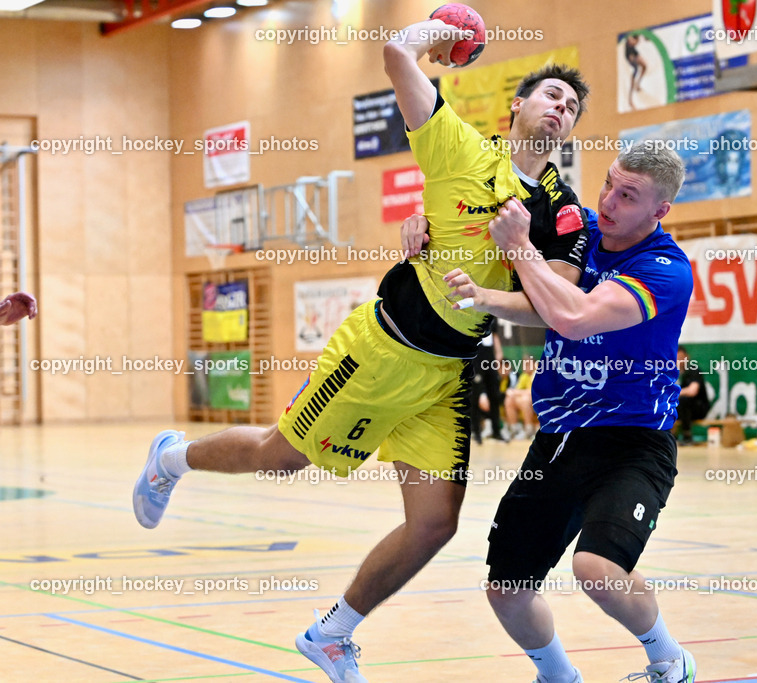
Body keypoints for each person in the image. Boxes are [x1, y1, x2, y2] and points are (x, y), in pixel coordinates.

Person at [132, 16, 591, 683]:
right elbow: (394, 53)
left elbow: (561, 304)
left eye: (573, 107)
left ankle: (333, 633)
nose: (562, 108)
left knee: (435, 525)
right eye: (552, 95)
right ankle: (172, 457)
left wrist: (494, 294)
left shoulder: (561, 211)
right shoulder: (454, 145)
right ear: (516, 105)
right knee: (279, 456)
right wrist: (438, 27)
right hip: (382, 351)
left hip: (444, 379)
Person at [444, 142, 696, 683]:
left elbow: (574, 316)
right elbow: (470, 208)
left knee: (596, 569)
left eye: (627, 196)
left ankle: (669, 660)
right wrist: (423, 223)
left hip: (631, 441)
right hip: (557, 440)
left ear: (659, 211)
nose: (607, 201)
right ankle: (558, 676)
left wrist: (519, 251)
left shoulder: (665, 271)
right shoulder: (575, 225)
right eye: (608, 183)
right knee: (506, 591)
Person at [470, 333, 507, 443]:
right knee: (474, 397)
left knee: (494, 395)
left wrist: (499, 351)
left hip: (490, 358)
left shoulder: (492, 318)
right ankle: (476, 431)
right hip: (477, 357)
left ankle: (496, 431)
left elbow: (495, 334)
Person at [675, 346, 708, 445]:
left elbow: (692, 391)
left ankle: (687, 435)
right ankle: (670, 434)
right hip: (680, 410)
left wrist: (672, 393)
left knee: (684, 400)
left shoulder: (694, 371)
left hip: (698, 408)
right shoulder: (671, 374)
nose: (679, 361)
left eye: (681, 358)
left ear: (687, 357)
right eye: (677, 358)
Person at [504, 355, 538, 440]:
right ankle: (515, 429)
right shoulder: (524, 376)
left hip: (540, 402)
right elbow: (517, 390)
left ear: (534, 364)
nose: (525, 367)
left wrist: (515, 392)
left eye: (528, 364)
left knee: (525, 400)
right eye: (524, 364)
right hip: (529, 400)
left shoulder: (538, 373)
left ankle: (529, 430)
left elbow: (533, 392)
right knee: (509, 400)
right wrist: (513, 393)